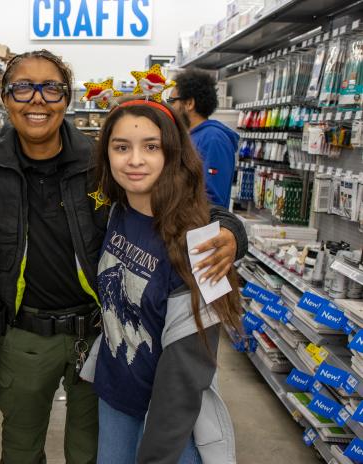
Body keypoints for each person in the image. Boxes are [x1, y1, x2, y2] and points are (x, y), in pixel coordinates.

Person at [0, 50, 248, 464]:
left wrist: (230, 230)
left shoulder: (100, 160)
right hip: (23, 338)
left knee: (89, 452)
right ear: (4, 97)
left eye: (51, 88)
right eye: (22, 87)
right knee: (20, 451)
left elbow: (177, 198)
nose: (37, 99)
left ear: (66, 98)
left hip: (97, 338)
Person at [92, 97, 241, 464]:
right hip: (114, 397)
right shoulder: (117, 212)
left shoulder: (203, 244)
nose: (135, 160)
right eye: (122, 147)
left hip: (166, 423)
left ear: (172, 154)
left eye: (151, 147)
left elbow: (190, 372)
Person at [168, 69, 239, 209]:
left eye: (172, 101)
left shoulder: (213, 139)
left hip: (199, 226)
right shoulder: (191, 136)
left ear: (189, 103)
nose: (170, 107)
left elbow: (212, 197)